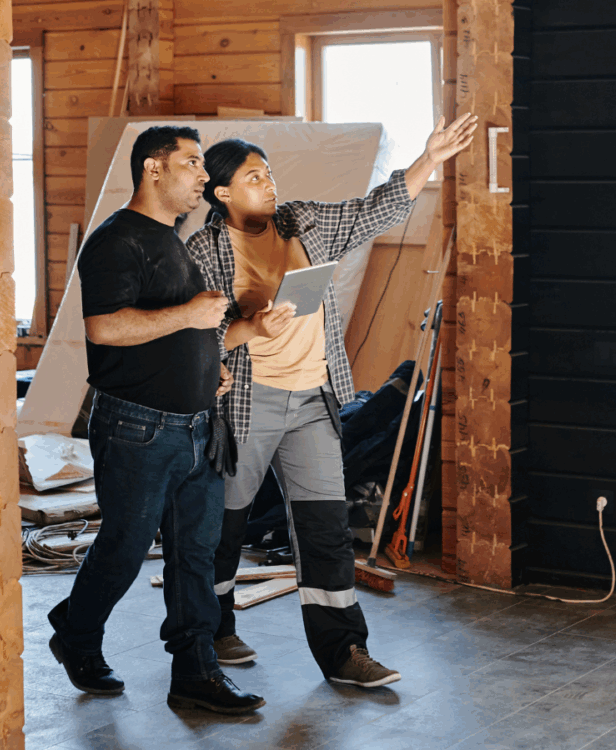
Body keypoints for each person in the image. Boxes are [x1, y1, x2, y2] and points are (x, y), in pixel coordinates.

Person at [186, 114, 479, 688]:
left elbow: (375, 210)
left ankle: (344, 651)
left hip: (312, 400)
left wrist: (429, 159)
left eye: (269, 173)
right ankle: (212, 630)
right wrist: (252, 325)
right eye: (253, 178)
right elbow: (195, 335)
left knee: (324, 528)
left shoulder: (303, 222)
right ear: (222, 194)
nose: (268, 184)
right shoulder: (205, 249)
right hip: (247, 402)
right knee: (224, 525)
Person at [47, 125, 264, 714]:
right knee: (125, 546)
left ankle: (195, 672)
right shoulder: (116, 241)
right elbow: (105, 328)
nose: (203, 176)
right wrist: (191, 315)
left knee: (195, 554)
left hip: (197, 426)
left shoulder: (172, 240)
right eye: (192, 163)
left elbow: (176, 332)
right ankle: (76, 631)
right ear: (153, 168)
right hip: (137, 429)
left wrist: (210, 369)